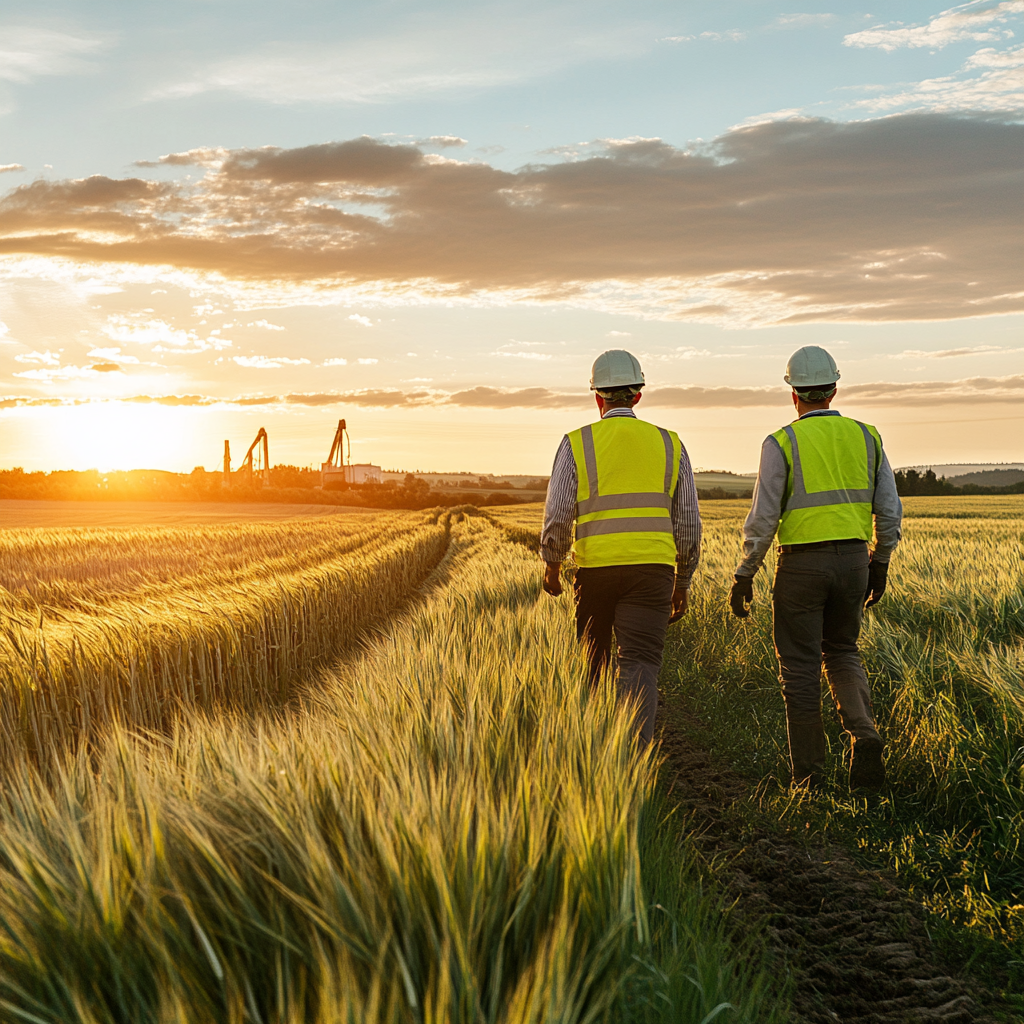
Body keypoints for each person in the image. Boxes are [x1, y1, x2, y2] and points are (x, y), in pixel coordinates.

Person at [729, 345, 902, 790]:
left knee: (801, 669)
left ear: (794, 394)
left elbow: (764, 518)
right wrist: (879, 563)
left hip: (802, 567)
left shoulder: (781, 442)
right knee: (842, 650)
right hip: (853, 562)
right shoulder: (868, 436)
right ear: (834, 389)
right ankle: (864, 734)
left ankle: (808, 776)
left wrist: (746, 572)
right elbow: (889, 509)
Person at [540, 349, 702, 744]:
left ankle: (597, 753)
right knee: (641, 665)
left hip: (596, 572)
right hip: (654, 573)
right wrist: (683, 580)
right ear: (637, 396)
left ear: (598, 398)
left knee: (593, 662)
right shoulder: (670, 444)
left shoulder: (576, 443)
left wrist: (553, 564)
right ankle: (636, 757)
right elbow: (688, 522)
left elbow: (559, 513)